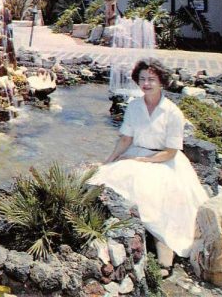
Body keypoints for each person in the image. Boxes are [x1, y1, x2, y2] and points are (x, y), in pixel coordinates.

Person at [88, 58, 208, 269]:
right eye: (142, 79)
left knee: (157, 196)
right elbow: (125, 139)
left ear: (161, 81)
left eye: (151, 79)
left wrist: (143, 160)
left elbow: (171, 152)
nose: (146, 84)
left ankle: (164, 255)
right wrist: (108, 161)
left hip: (165, 160)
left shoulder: (172, 112)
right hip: (138, 154)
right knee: (105, 177)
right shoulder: (134, 106)